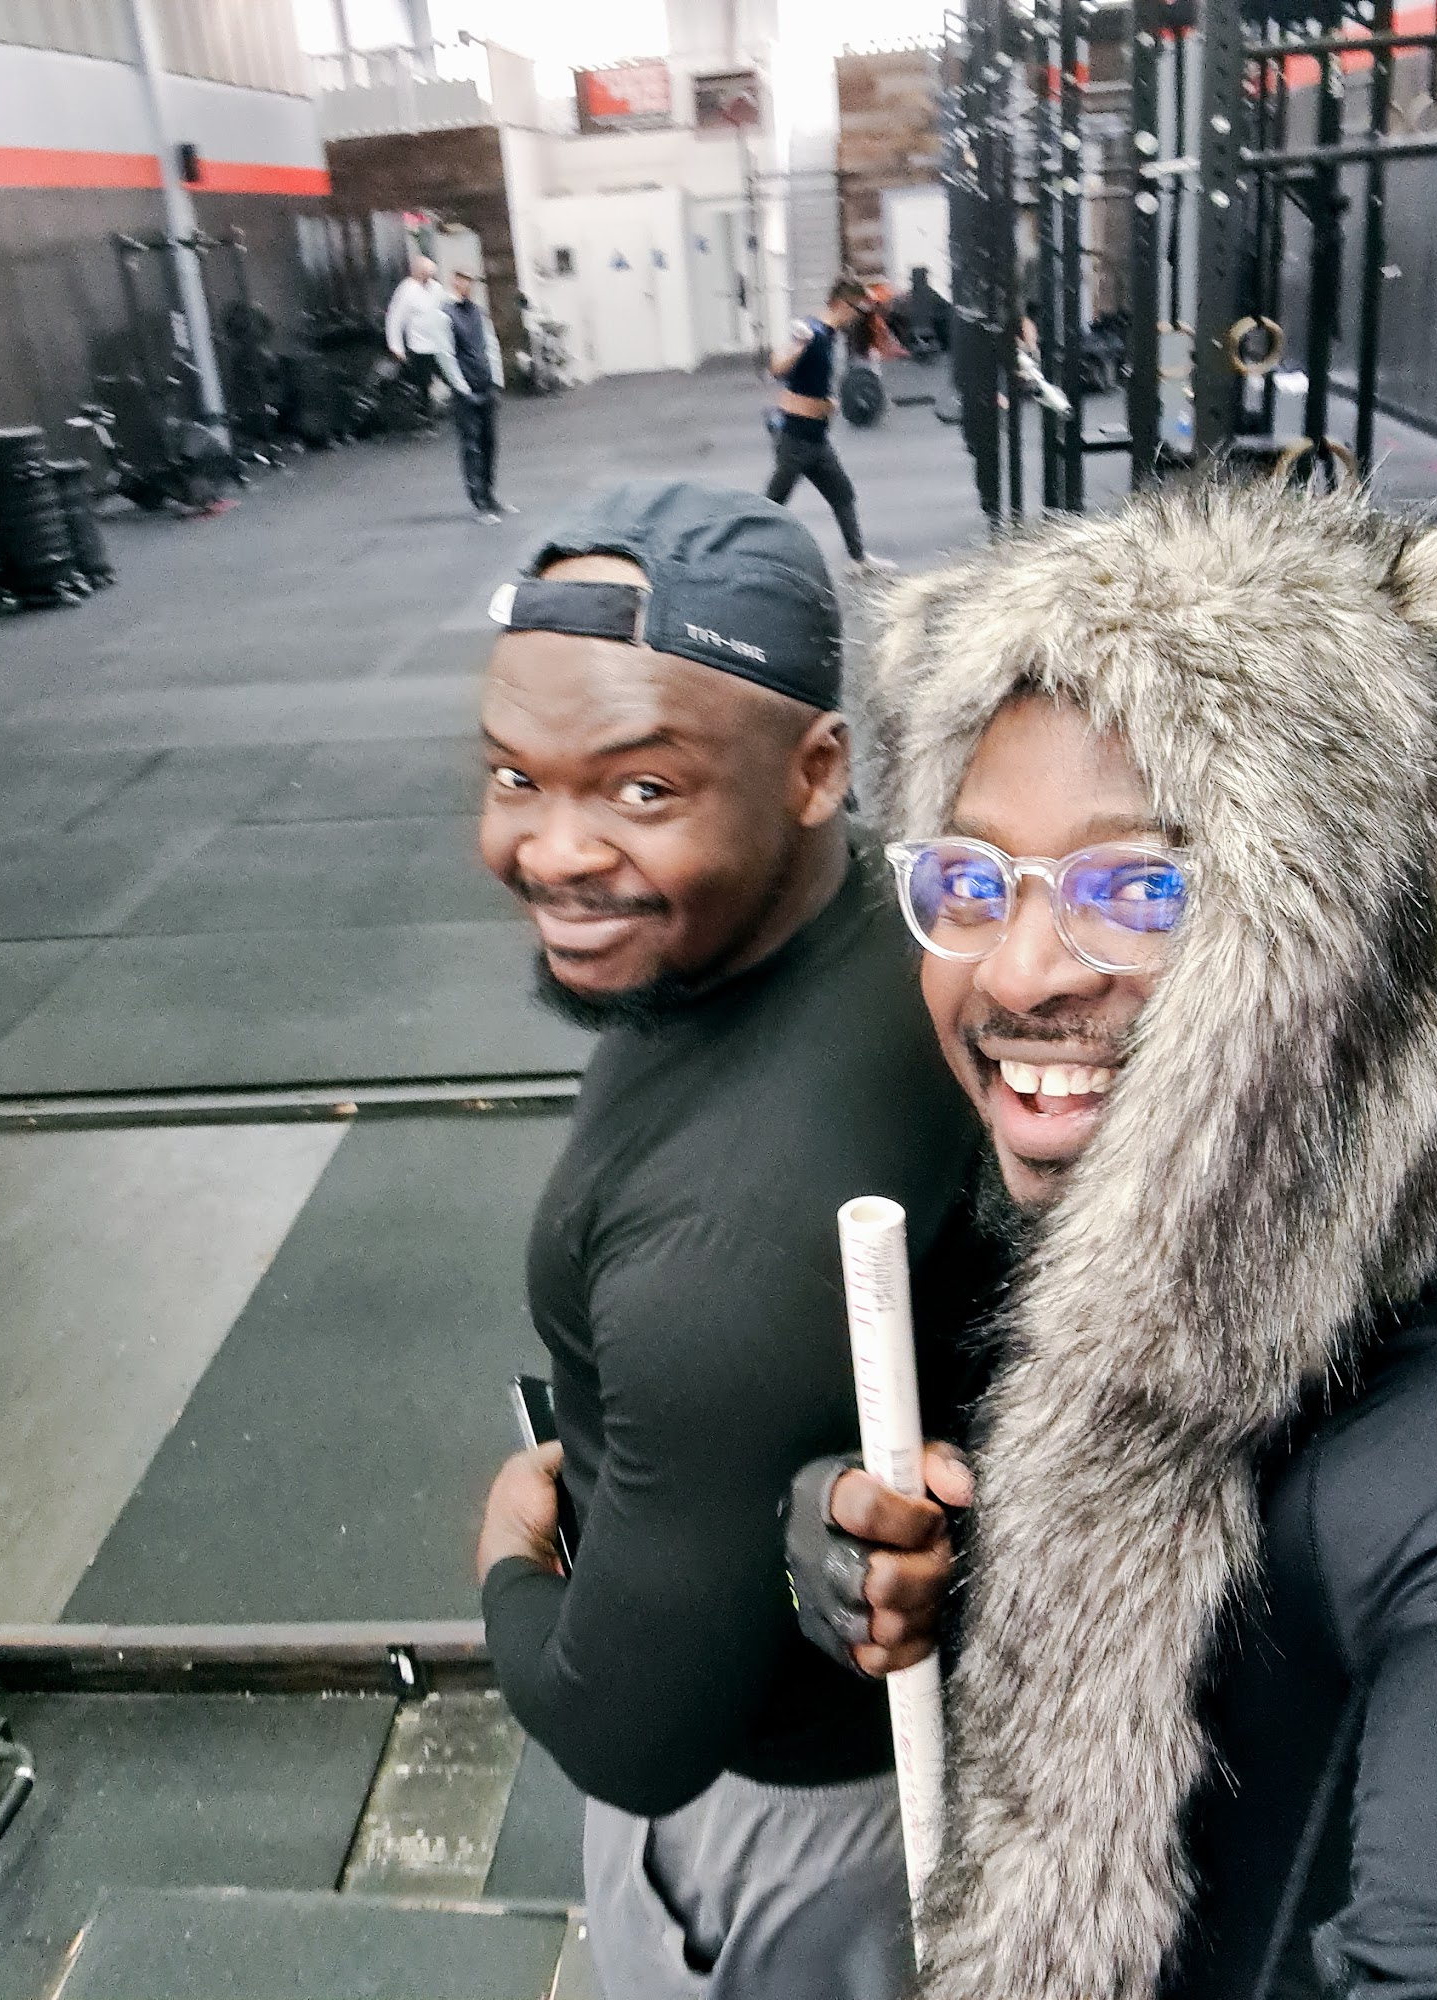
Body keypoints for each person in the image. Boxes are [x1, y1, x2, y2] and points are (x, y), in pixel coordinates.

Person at [789, 481, 1437, 2000]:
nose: (1018, 969)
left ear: (1355, 947)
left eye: (1143, 887)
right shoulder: (1079, 1244)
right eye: (971, 879)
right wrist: (911, 1562)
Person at [471, 479, 980, 2000]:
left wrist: (504, 1563)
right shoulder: (870, 920)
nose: (553, 850)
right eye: (514, 775)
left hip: (783, 1829)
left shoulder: (724, 1250)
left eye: (642, 789)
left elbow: (623, 1732)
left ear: (818, 770)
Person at [765, 276, 892, 574]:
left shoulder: (830, 336)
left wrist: (829, 404)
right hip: (795, 439)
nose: (856, 317)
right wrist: (797, 345)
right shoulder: (812, 332)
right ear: (840, 304)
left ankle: (859, 561)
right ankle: (742, 556)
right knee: (771, 506)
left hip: (817, 440)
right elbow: (777, 367)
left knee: (843, 494)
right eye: (855, 309)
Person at [446, 269, 512, 523]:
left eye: (471, 281)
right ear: (455, 281)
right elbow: (446, 354)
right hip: (466, 389)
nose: (468, 285)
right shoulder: (445, 314)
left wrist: (496, 380)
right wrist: (461, 387)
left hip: (485, 384)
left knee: (489, 443)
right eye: (464, 280)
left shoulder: (477, 312)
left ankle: (489, 495)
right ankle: (479, 502)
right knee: (472, 446)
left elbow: (491, 345)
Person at [384, 254, 468, 422]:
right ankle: (424, 414)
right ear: (416, 272)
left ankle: (465, 404)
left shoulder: (435, 287)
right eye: (425, 274)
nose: (427, 277)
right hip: (419, 346)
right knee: (423, 382)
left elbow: (447, 303)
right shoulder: (406, 290)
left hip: (439, 343)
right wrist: (396, 347)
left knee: (451, 376)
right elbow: (395, 319)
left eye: (430, 275)